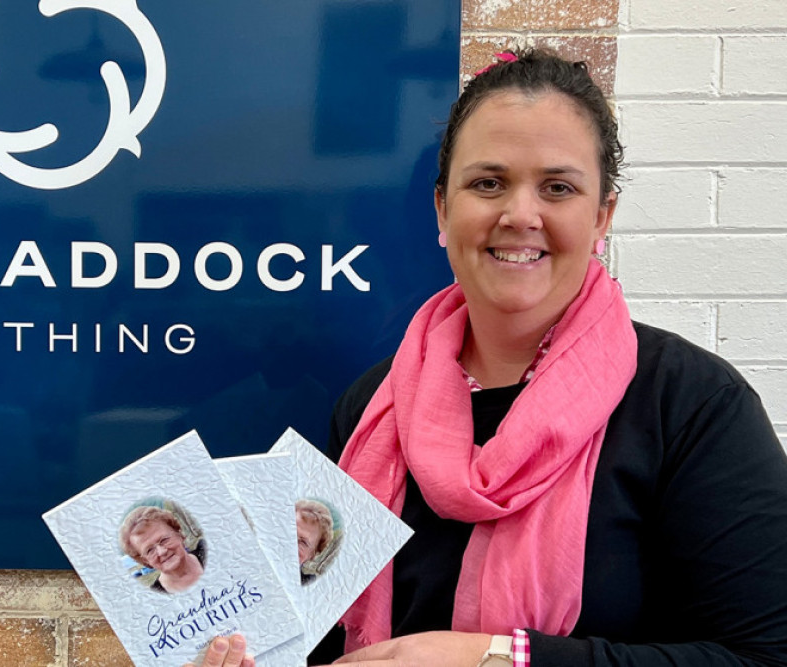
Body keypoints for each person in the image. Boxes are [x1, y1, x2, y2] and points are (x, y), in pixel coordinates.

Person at [194, 47, 787, 667]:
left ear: (601, 216)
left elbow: (766, 657)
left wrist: (496, 658)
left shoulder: (689, 405)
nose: (519, 215)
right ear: (444, 210)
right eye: (488, 183)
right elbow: (321, 637)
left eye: (557, 188)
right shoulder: (374, 405)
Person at [119, 505, 205, 594]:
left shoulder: (208, 551)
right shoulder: (154, 599)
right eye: (149, 550)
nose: (162, 552)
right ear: (145, 560)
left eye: (164, 540)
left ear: (179, 534)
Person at [296, 499, 334, 584]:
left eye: (303, 542)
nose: (292, 543)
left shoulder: (309, 583)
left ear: (312, 555)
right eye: (291, 533)